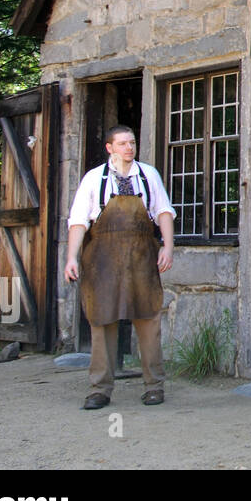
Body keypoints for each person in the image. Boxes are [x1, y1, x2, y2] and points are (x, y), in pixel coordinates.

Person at [64, 124, 175, 409]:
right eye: (123, 143)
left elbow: (163, 211)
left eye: (132, 143)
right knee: (102, 319)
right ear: (110, 148)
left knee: (148, 319)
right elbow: (78, 221)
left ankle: (154, 386)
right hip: (102, 260)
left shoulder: (148, 175)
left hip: (142, 256)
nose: (129, 148)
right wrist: (71, 257)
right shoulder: (94, 180)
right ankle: (100, 389)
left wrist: (168, 246)